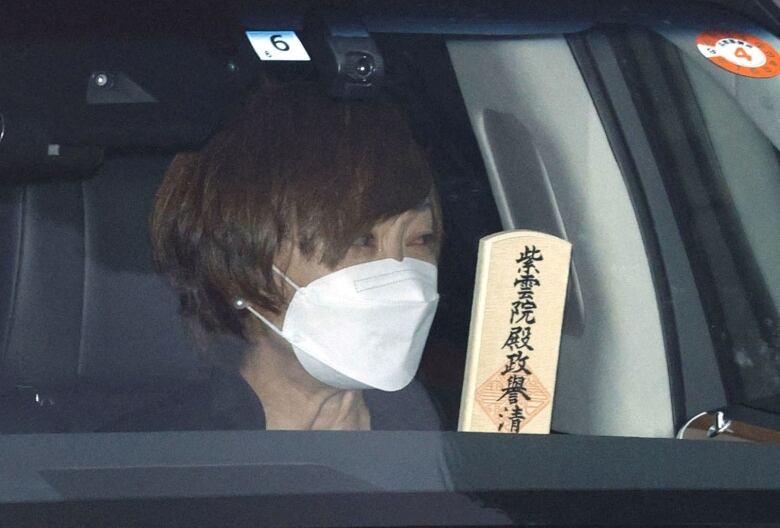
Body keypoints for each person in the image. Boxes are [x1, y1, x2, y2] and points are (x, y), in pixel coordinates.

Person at [108, 81, 445, 431]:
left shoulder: (446, 437)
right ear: (241, 264)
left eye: (420, 239)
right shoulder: (161, 458)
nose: (399, 274)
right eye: (360, 240)